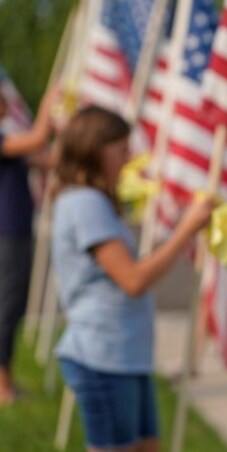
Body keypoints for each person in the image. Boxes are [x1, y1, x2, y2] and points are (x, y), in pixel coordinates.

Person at [50, 106, 214, 452]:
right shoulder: (85, 203)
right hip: (102, 354)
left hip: (123, 354)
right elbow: (133, 280)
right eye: (121, 149)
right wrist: (185, 231)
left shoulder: (90, 200)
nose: (129, 158)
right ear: (96, 150)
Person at [0, 87, 59, 404]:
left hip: (17, 231)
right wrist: (50, 101)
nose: (9, 101)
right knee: (6, 306)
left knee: (14, 304)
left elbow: (49, 158)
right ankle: (1, 384)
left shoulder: (9, 141)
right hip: (6, 233)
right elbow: (37, 139)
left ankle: (5, 378)